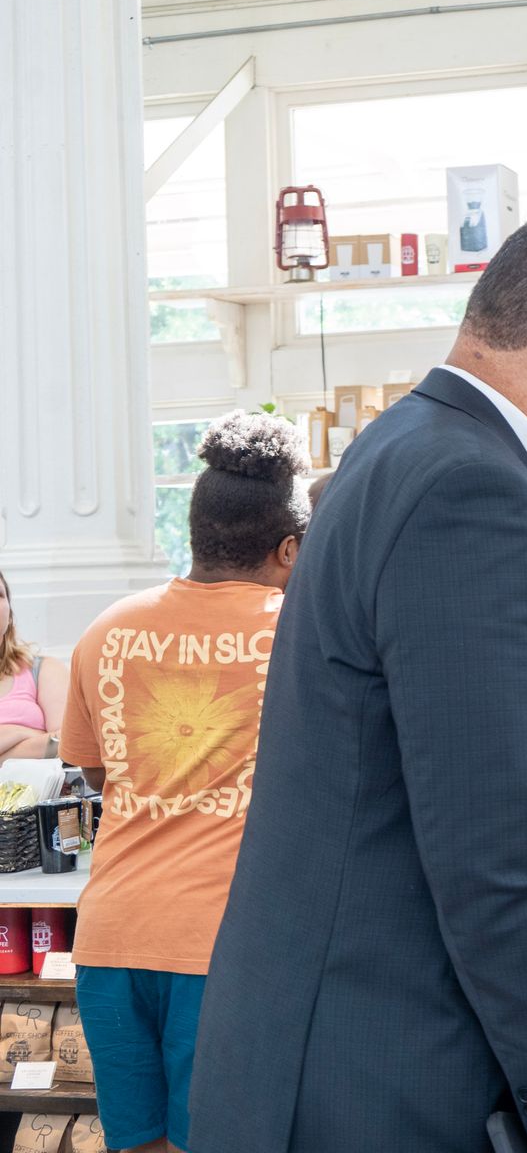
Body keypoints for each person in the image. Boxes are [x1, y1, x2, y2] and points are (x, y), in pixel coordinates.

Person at [188, 204, 527, 1153]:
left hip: (339, 1060)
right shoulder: (471, 493)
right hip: (391, 1082)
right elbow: (501, 861)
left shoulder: (404, 447)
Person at [58, 411, 308, 1153]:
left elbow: (99, 771)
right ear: (288, 547)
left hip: (109, 936)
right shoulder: (301, 628)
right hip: (226, 943)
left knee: (136, 1144)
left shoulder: (107, 630)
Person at [0, 569, 65, 762]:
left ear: (9, 613)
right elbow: (55, 740)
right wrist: (30, 734)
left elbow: (69, 742)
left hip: (39, 791)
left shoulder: (44, 669)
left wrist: (11, 734)